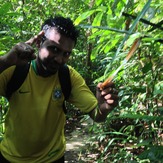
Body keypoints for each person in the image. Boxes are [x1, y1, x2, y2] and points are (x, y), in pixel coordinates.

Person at [0, 16, 118, 162]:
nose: (59, 59)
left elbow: (97, 114)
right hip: (11, 158)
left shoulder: (68, 76)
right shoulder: (15, 70)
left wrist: (104, 107)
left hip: (53, 158)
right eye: (54, 49)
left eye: (66, 54)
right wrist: (5, 62)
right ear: (38, 42)